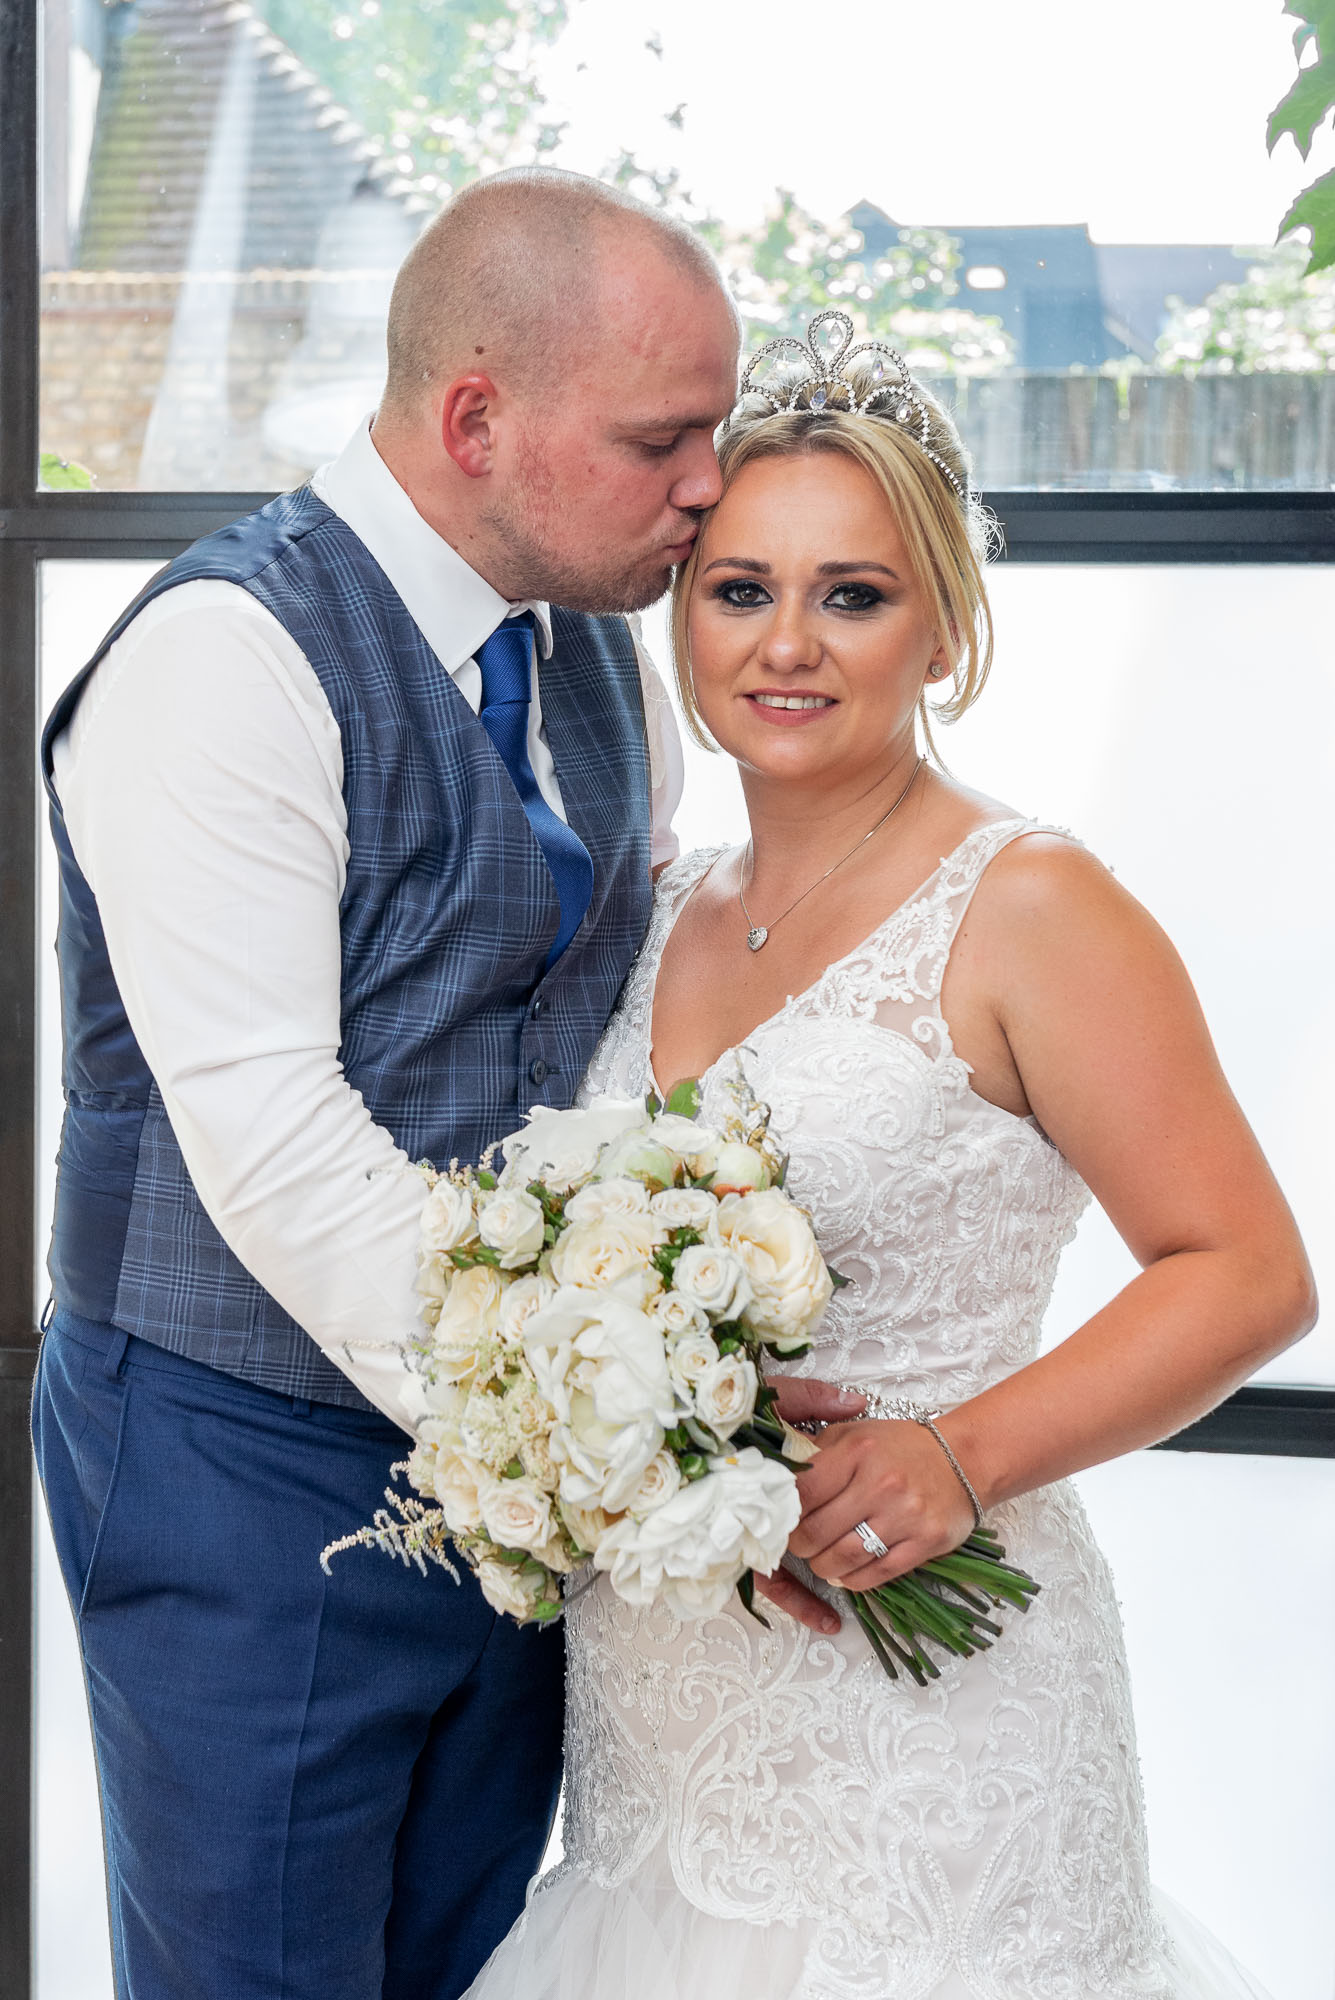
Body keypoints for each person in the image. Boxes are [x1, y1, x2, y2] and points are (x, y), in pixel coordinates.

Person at [460, 316, 1316, 1999]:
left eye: (851, 595)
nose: (788, 643)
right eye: (740, 590)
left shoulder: (1034, 905)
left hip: (936, 1738)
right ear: (684, 615)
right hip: (658, 1740)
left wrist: (961, 1453)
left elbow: (1248, 1272)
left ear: (944, 629)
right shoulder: (654, 902)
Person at [31, 168, 744, 2000]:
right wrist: (586, 1424)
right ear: (476, 420)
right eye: (661, 441)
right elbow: (276, 1147)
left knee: (469, 1967)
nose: (708, 488)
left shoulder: (594, 647)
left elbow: (594, 1026)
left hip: (517, 1479)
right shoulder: (224, 659)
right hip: (239, 1462)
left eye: (715, 434)